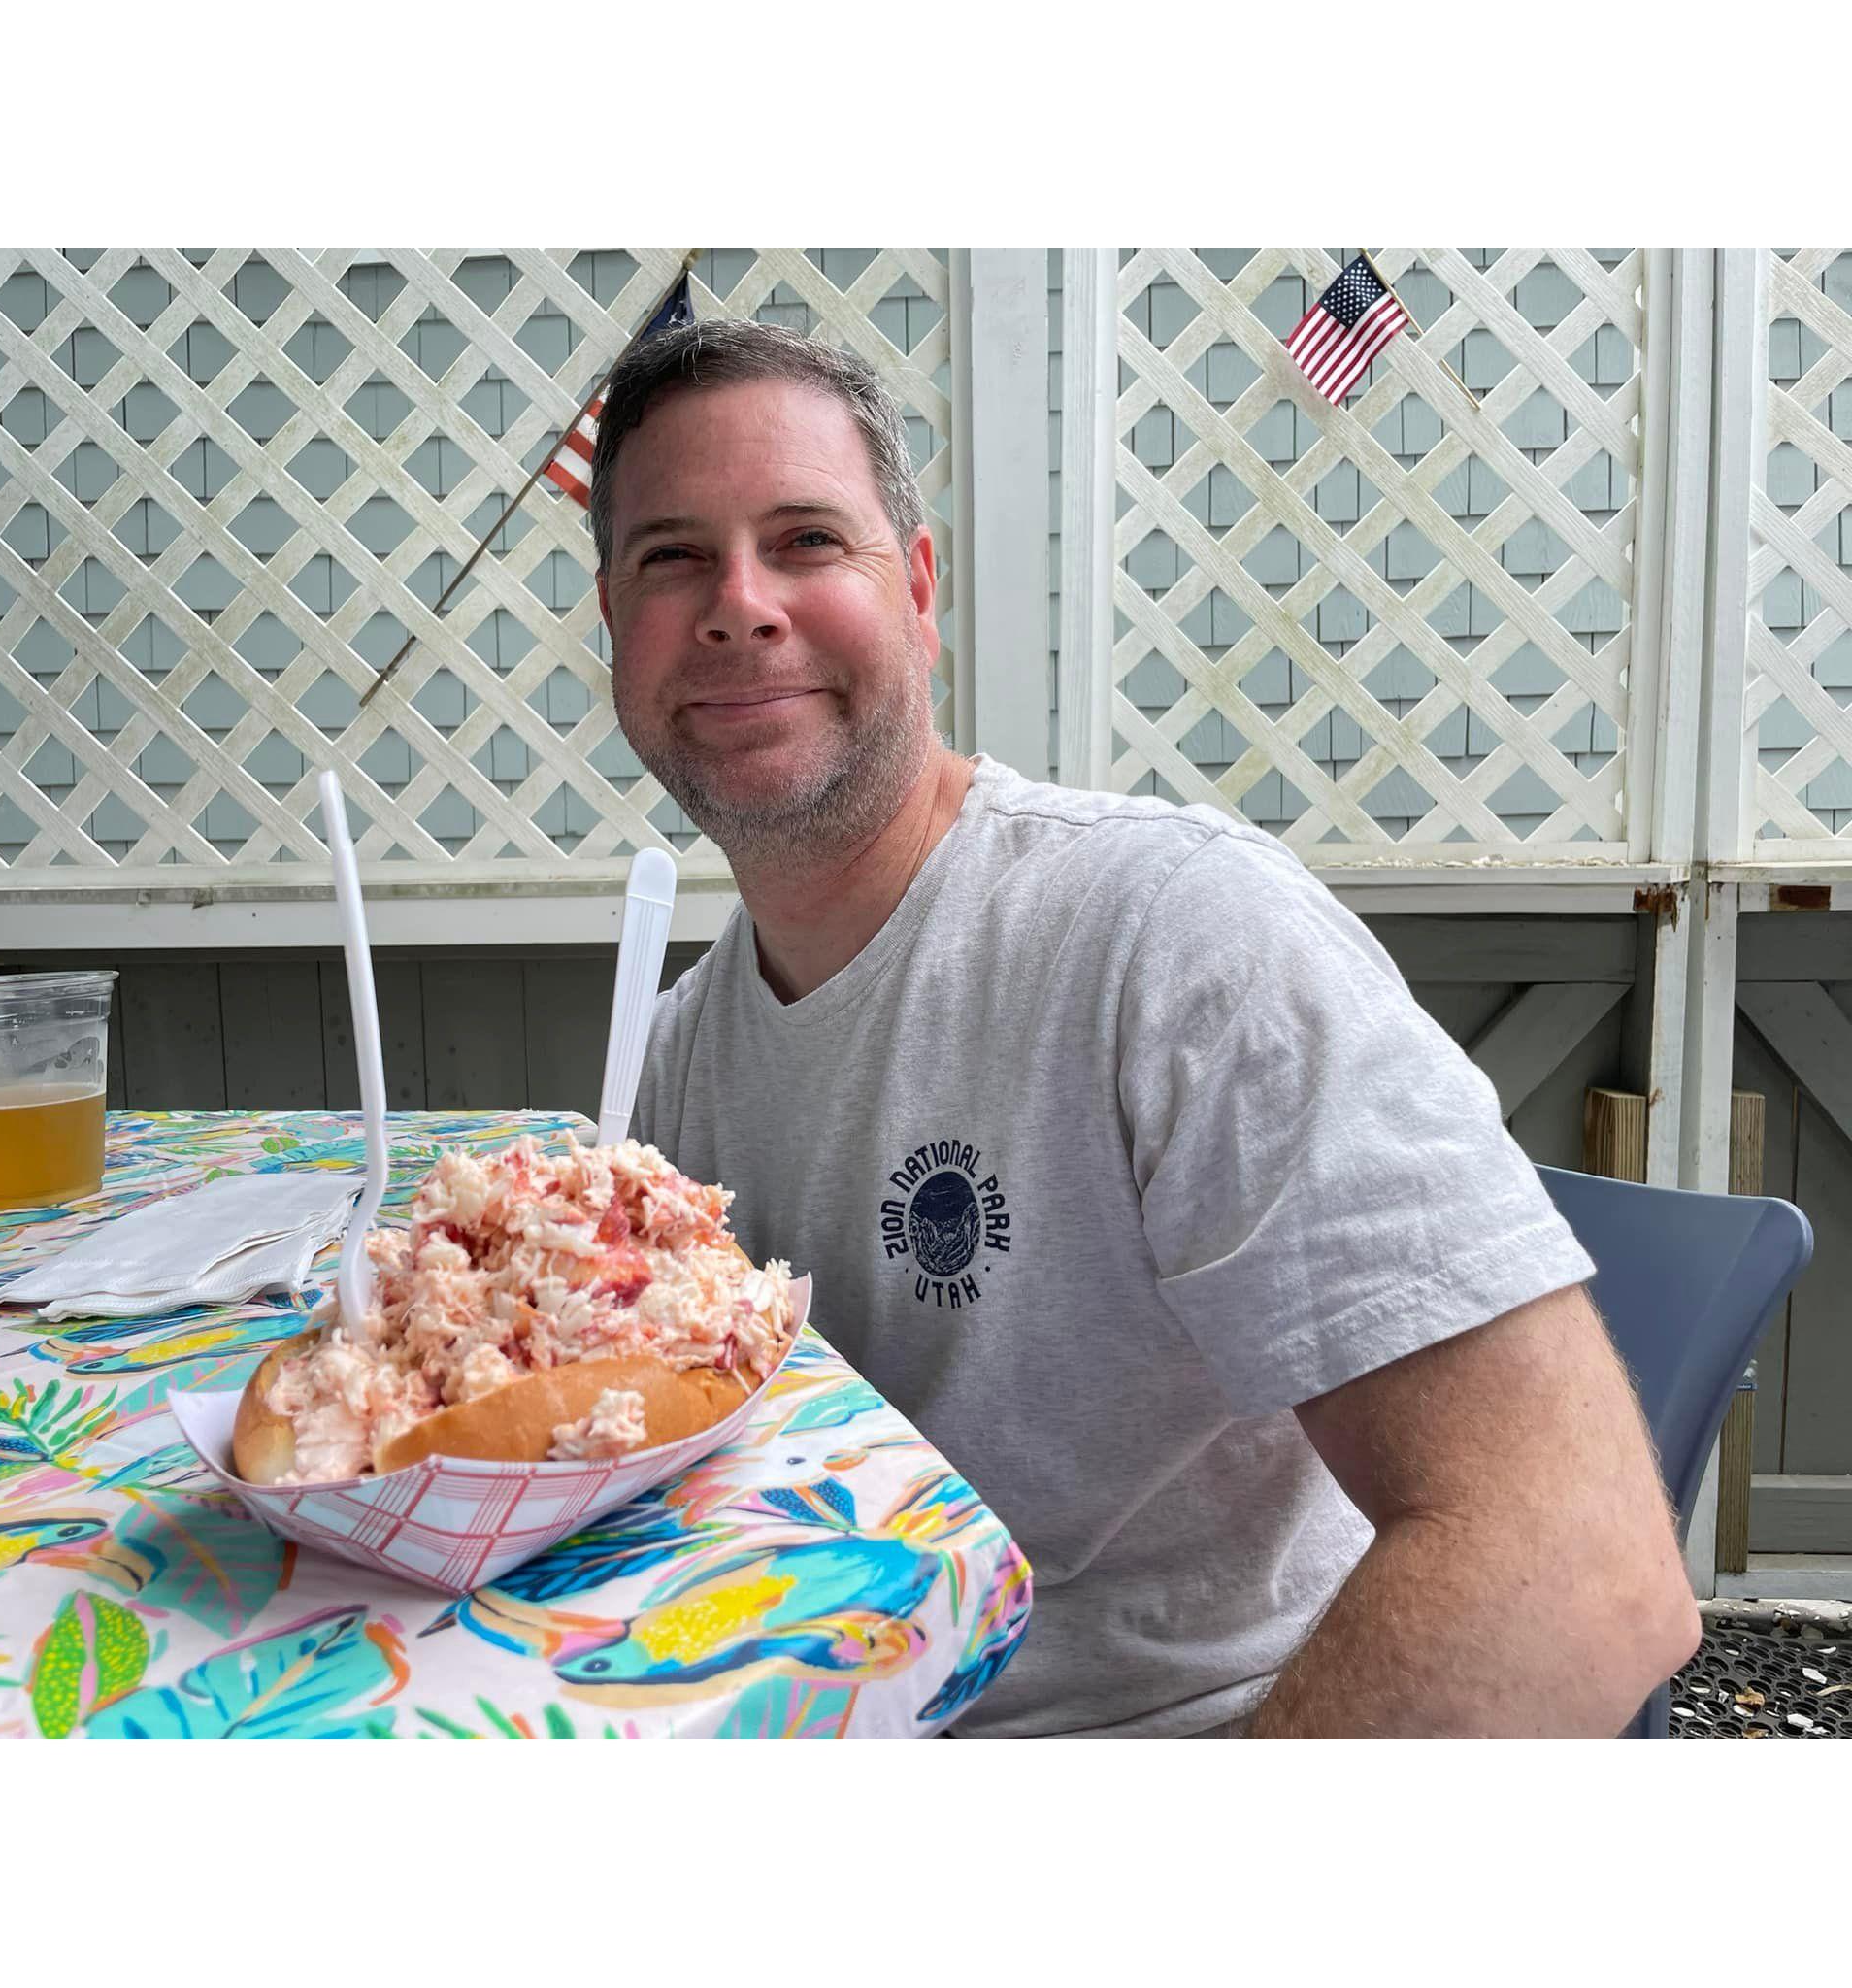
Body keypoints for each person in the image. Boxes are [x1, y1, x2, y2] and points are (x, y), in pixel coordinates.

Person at [595, 317, 1701, 1739]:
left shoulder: (1175, 934)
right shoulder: (688, 1043)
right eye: (673, 557)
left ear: (920, 594)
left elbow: (1580, 1568)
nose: (741, 604)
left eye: (808, 540)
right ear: (616, 628)